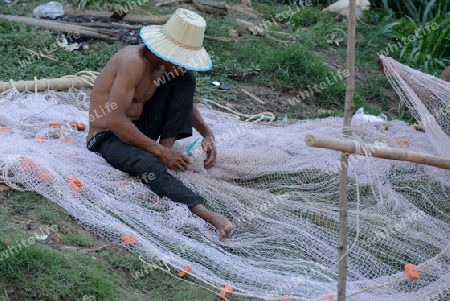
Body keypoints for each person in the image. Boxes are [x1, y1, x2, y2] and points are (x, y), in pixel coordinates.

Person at [86, 8, 234, 240]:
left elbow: (184, 105)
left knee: (185, 79)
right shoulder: (132, 63)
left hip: (138, 128)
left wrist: (207, 132)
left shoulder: (163, 68)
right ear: (168, 51)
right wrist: (158, 152)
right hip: (107, 136)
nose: (185, 64)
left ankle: (165, 154)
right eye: (183, 59)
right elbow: (115, 120)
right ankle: (204, 212)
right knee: (145, 162)